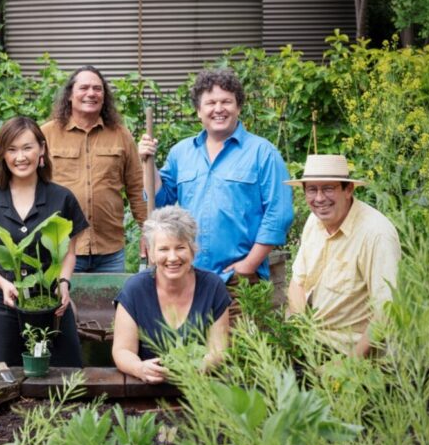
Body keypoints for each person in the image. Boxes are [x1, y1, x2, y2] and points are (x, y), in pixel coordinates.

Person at [138, 68, 293, 320]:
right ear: (199, 111)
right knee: (192, 352)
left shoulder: (263, 153)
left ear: (238, 107)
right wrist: (148, 162)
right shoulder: (181, 153)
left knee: (233, 353)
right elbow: (161, 200)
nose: (218, 109)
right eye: (210, 103)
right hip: (189, 278)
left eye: (226, 102)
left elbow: (279, 213)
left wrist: (249, 265)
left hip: (239, 282)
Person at [0, 116, 88, 369]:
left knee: (65, 376)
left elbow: (69, 253)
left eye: (27, 147)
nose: (20, 157)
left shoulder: (62, 198)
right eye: (12, 149)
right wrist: (2, 282)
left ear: (42, 149)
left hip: (51, 304)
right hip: (2, 304)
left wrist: (63, 284)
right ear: (2, 155)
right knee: (6, 379)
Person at [285, 155, 401, 357]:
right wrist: (299, 330)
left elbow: (387, 312)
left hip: (358, 355)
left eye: (328, 188)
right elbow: (298, 282)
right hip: (314, 344)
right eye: (312, 189)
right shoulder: (314, 221)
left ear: (348, 190)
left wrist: (348, 365)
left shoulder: (375, 234)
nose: (319, 198)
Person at [41, 65, 147, 273]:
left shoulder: (121, 135)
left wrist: (148, 230)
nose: (91, 93)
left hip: (110, 251)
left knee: (110, 305)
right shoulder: (47, 134)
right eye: (84, 88)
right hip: (62, 247)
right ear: (70, 95)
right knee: (64, 305)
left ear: (104, 96)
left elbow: (136, 188)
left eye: (97, 89)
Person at [112, 205, 231, 383]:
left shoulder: (213, 287)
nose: (173, 257)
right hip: (147, 389)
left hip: (200, 389)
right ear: (151, 253)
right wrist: (140, 368)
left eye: (180, 247)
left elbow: (218, 349)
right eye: (163, 249)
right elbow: (122, 350)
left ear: (192, 250)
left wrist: (198, 367)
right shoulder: (135, 289)